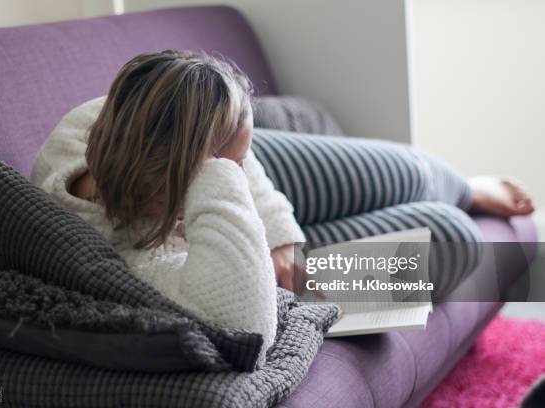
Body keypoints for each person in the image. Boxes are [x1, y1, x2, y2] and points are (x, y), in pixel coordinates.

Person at [30, 50, 534, 361]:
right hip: (230, 234)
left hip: (258, 167)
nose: (232, 171)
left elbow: (236, 160)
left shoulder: (93, 125)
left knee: (412, 173)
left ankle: (466, 186)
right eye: (223, 169)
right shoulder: (134, 258)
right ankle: (452, 205)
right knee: (453, 237)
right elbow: (246, 320)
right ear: (201, 173)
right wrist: (263, 250)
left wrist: (281, 237)